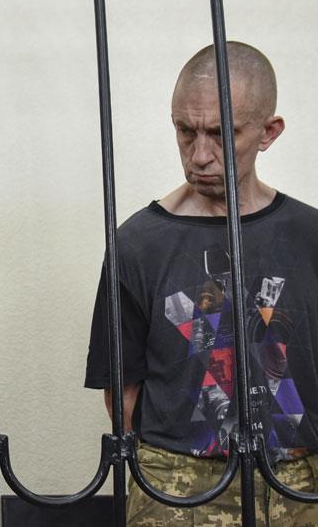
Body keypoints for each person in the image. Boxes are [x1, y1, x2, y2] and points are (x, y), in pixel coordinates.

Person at [84, 41, 318, 525]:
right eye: (185, 131)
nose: (200, 155)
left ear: (268, 131)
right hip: (175, 484)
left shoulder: (309, 235)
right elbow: (121, 390)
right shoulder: (137, 243)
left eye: (221, 133)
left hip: (301, 483)